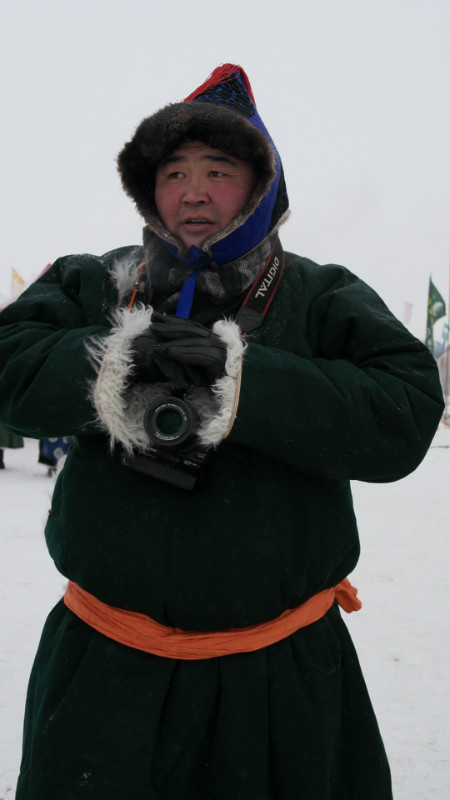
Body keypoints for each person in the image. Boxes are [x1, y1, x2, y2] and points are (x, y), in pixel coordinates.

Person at [0, 64, 444, 800]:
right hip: (106, 674)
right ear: (150, 191)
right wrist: (116, 365)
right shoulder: (93, 281)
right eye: (174, 172)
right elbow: (7, 366)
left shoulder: (324, 294)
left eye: (219, 169)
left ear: (263, 183)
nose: (194, 191)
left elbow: (403, 413)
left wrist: (242, 386)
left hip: (284, 678)